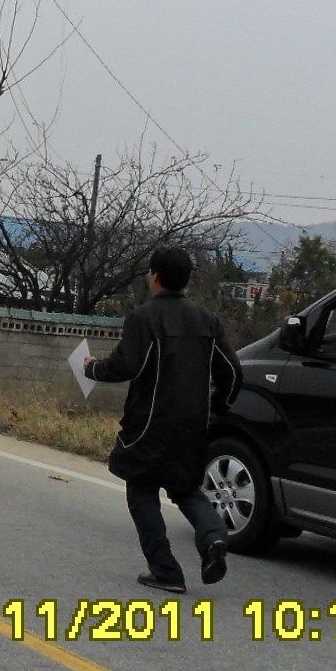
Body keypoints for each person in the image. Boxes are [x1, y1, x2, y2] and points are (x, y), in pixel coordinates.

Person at [83, 246, 242, 594]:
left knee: (141, 489)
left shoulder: (143, 318)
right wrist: (218, 407)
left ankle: (166, 570)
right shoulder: (207, 320)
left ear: (154, 277)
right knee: (185, 487)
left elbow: (126, 366)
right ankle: (214, 536)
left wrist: (92, 368)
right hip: (193, 425)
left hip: (149, 423)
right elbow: (232, 372)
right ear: (185, 280)